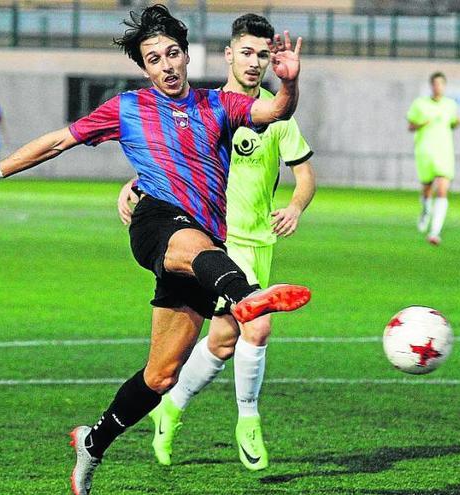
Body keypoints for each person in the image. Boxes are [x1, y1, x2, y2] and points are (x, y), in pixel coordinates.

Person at [0, 5, 309, 494]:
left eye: (173, 54)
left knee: (161, 376)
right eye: (153, 58)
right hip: (156, 224)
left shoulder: (219, 105)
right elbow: (57, 141)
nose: (166, 66)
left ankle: (92, 442)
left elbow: (276, 111)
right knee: (195, 246)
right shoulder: (127, 108)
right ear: (144, 67)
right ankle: (249, 294)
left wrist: (288, 83)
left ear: (187, 56)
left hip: (202, 247)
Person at [116, 13, 316, 472]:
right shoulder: (205, 105)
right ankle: (249, 420)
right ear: (228, 54)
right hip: (214, 241)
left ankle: (171, 407)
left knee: (223, 343)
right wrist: (135, 185)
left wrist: (296, 206)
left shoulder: (276, 114)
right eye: (246, 52)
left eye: (263, 54)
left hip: (259, 239)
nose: (254, 62)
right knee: (258, 325)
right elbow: (169, 160)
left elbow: (305, 174)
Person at [406, 72, 460, 246]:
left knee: (442, 188)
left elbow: (452, 123)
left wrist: (457, 122)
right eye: (435, 84)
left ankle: (435, 232)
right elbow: (411, 126)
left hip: (444, 151)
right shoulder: (420, 104)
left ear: (444, 86)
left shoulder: (450, 105)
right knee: (427, 188)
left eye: (441, 84)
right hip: (425, 151)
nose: (438, 87)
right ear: (431, 86)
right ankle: (425, 211)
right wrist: (423, 124)